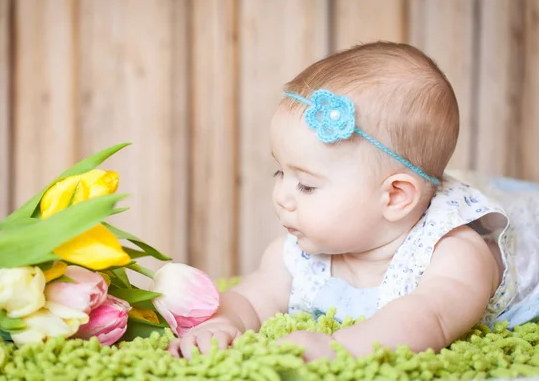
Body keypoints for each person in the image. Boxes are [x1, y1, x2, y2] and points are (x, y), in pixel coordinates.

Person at [168, 41, 539, 362]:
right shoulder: (299, 255)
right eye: (280, 173)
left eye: (307, 186)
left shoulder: (453, 251)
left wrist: (343, 346)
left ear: (394, 197)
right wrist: (221, 323)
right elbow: (252, 297)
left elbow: (428, 318)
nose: (281, 196)